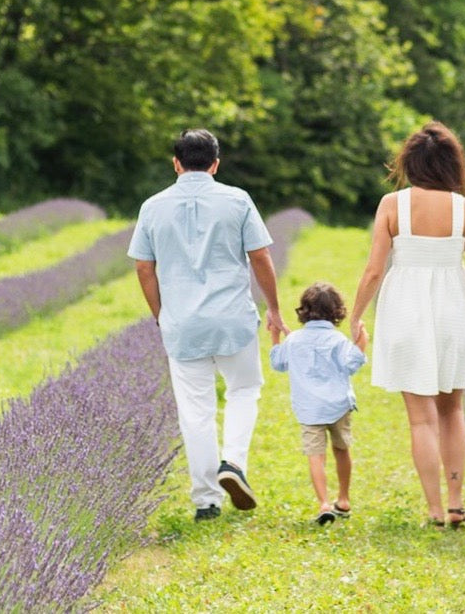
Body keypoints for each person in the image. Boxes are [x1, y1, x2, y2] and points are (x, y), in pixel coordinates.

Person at [128, 128, 289, 522]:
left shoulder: (152, 206)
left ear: (176, 163)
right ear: (216, 163)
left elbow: (143, 268)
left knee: (195, 410)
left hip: (182, 321)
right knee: (244, 389)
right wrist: (274, 309)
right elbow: (261, 258)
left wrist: (161, 314)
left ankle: (207, 501)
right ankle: (232, 462)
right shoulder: (237, 200)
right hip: (232, 318)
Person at [348, 121, 465, 529]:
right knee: (452, 411)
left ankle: (433, 509)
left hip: (405, 311)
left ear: (410, 163)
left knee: (421, 419)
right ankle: (455, 502)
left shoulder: (391, 206)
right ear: (453, 165)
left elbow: (374, 270)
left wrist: (357, 314)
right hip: (453, 308)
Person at [270, 282, 367, 526]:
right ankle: (343, 498)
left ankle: (324, 503)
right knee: (342, 449)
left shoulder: (293, 340)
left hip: (308, 408)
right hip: (338, 406)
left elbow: (278, 364)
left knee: (315, 455)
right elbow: (352, 365)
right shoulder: (338, 340)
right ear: (337, 312)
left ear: (304, 310)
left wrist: (275, 336)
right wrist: (362, 341)